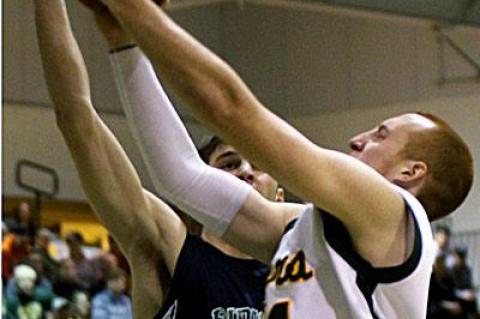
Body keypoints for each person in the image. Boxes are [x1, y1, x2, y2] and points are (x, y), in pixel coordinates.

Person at [100, 0, 474, 318]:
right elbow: (183, 177)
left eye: (381, 134)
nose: (357, 139)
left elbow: (230, 109)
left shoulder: (391, 209)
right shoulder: (306, 226)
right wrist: (125, 46)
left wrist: (133, 9)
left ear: (411, 171)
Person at [34, 1, 287, 318]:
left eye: (259, 165)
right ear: (199, 194)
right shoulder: (166, 249)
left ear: (281, 197)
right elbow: (76, 116)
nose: (247, 172)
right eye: (229, 163)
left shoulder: (308, 270)